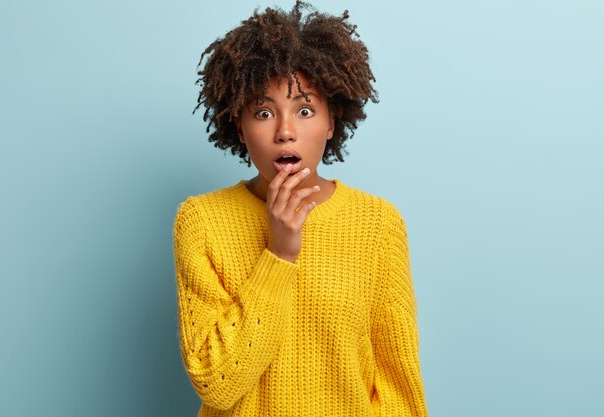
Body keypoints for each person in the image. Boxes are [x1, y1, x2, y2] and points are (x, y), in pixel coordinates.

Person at [173, 1, 428, 415]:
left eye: (305, 110)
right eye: (263, 111)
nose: (285, 131)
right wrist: (279, 254)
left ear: (331, 122)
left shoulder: (378, 224)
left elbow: (398, 386)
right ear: (239, 124)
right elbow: (215, 384)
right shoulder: (202, 221)